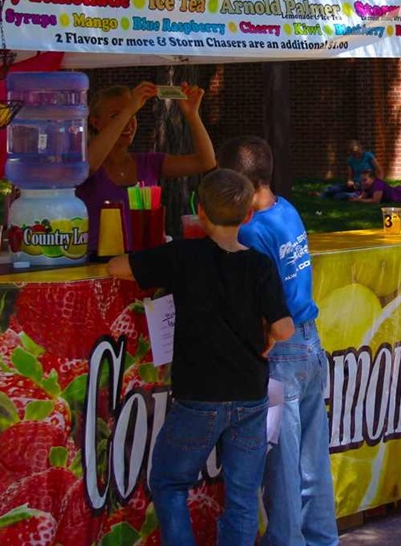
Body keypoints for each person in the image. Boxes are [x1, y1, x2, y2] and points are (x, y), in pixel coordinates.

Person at [108, 169, 293, 545]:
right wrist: (271, 334)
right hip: (250, 397)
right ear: (247, 216)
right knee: (243, 495)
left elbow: (116, 267)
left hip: (198, 398)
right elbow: (286, 328)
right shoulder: (259, 265)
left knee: (169, 480)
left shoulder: (183, 256)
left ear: (200, 212)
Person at [216, 136, 340, 546]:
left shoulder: (251, 235)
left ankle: (287, 541)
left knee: (283, 470)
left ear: (241, 185)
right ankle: (322, 538)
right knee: (311, 463)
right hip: (310, 344)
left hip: (280, 352)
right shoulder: (287, 210)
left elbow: (260, 304)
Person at [77, 81, 216, 250]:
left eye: (133, 115)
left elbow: (206, 162)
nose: (128, 123)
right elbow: (88, 166)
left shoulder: (149, 162)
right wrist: (128, 109)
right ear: (95, 122)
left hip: (144, 263)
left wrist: (192, 114)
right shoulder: (84, 163)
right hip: (97, 264)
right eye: (116, 116)